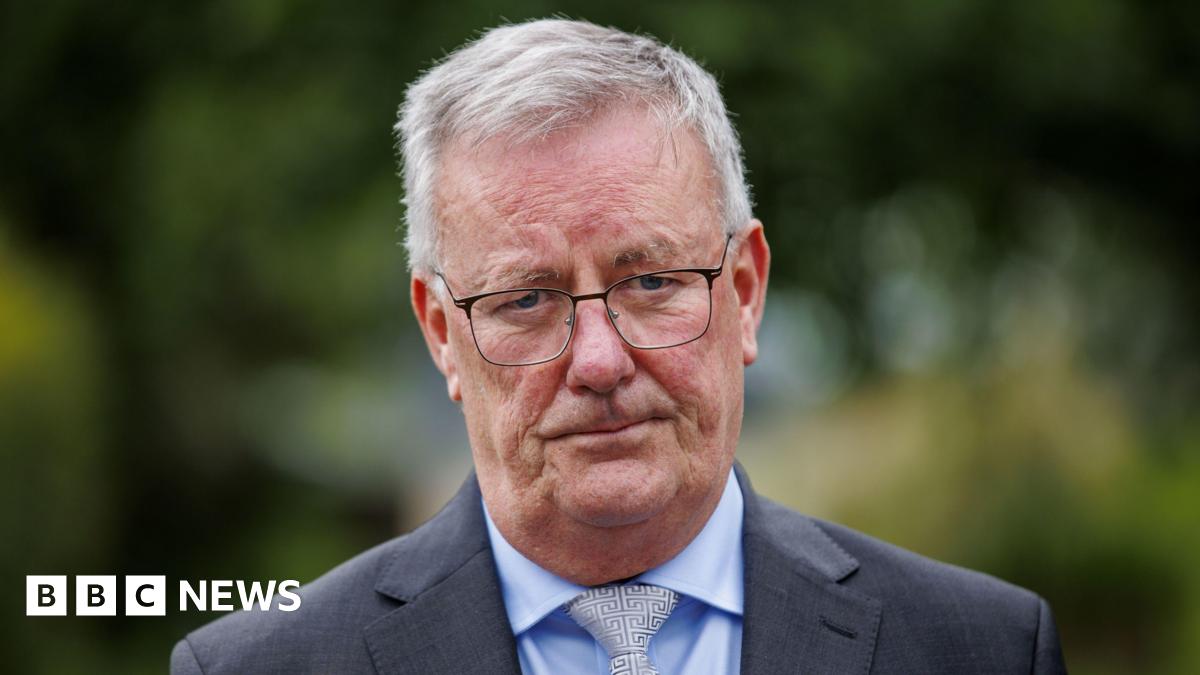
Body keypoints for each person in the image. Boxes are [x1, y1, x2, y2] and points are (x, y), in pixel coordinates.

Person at [171, 18, 1067, 674]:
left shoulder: (982, 649)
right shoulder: (261, 667)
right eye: (527, 299)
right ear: (442, 333)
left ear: (745, 290)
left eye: (651, 283)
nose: (598, 362)